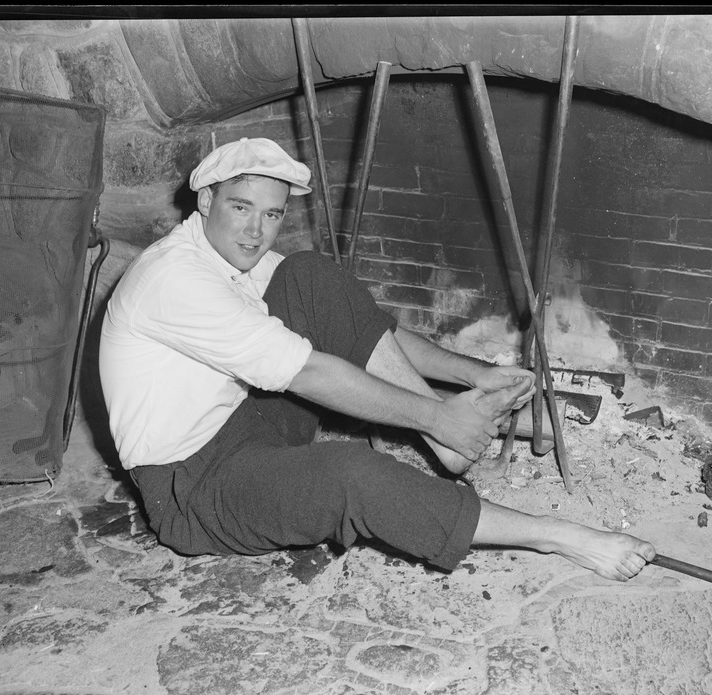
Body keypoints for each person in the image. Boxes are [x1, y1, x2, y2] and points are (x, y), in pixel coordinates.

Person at [100, 137, 655, 582]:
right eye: (240, 208)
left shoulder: (233, 257)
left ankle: (445, 438)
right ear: (204, 202)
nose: (255, 231)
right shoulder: (176, 279)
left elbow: (359, 325)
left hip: (247, 423)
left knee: (313, 276)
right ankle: (555, 535)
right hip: (193, 488)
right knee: (350, 476)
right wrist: (436, 414)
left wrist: (472, 371)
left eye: (271, 215)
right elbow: (310, 370)